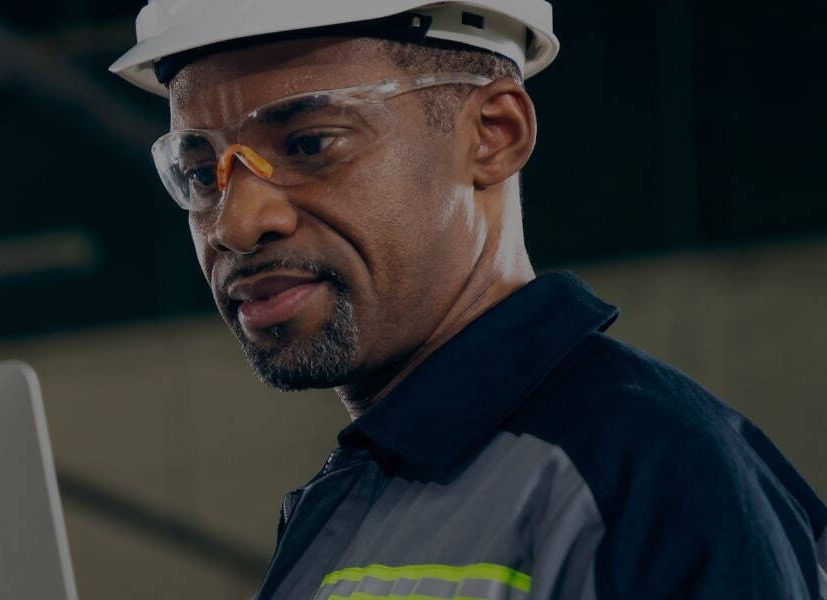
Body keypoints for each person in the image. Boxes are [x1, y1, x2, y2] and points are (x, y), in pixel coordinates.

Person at [107, 1, 827, 598]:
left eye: (308, 145)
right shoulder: (375, 498)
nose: (236, 223)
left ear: (493, 135)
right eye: (202, 173)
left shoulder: (646, 478)